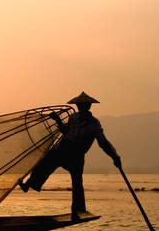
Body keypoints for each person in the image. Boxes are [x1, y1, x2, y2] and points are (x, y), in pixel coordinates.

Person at [18, 92, 121, 220]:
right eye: (79, 105)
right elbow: (65, 131)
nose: (80, 108)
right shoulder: (74, 118)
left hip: (77, 154)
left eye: (83, 105)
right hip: (64, 147)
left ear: (88, 106)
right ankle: (29, 184)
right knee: (46, 162)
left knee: (77, 182)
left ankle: (78, 210)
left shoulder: (94, 124)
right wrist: (57, 120)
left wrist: (115, 157)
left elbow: (103, 142)